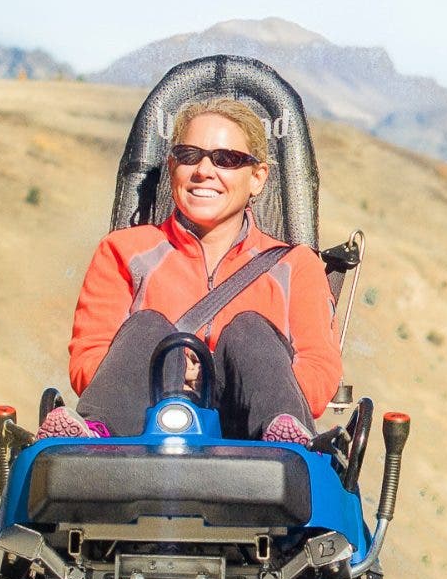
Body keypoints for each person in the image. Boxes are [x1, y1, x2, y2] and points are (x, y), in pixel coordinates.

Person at [45, 96, 341, 443]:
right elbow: (88, 361)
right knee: (147, 328)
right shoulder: (122, 252)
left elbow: (320, 372)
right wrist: (167, 371)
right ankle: (97, 432)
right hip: (143, 436)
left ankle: (283, 436)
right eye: (189, 156)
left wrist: (222, 380)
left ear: (257, 178)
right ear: (173, 167)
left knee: (250, 332)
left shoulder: (295, 265)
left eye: (226, 159)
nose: (203, 171)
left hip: (253, 442)